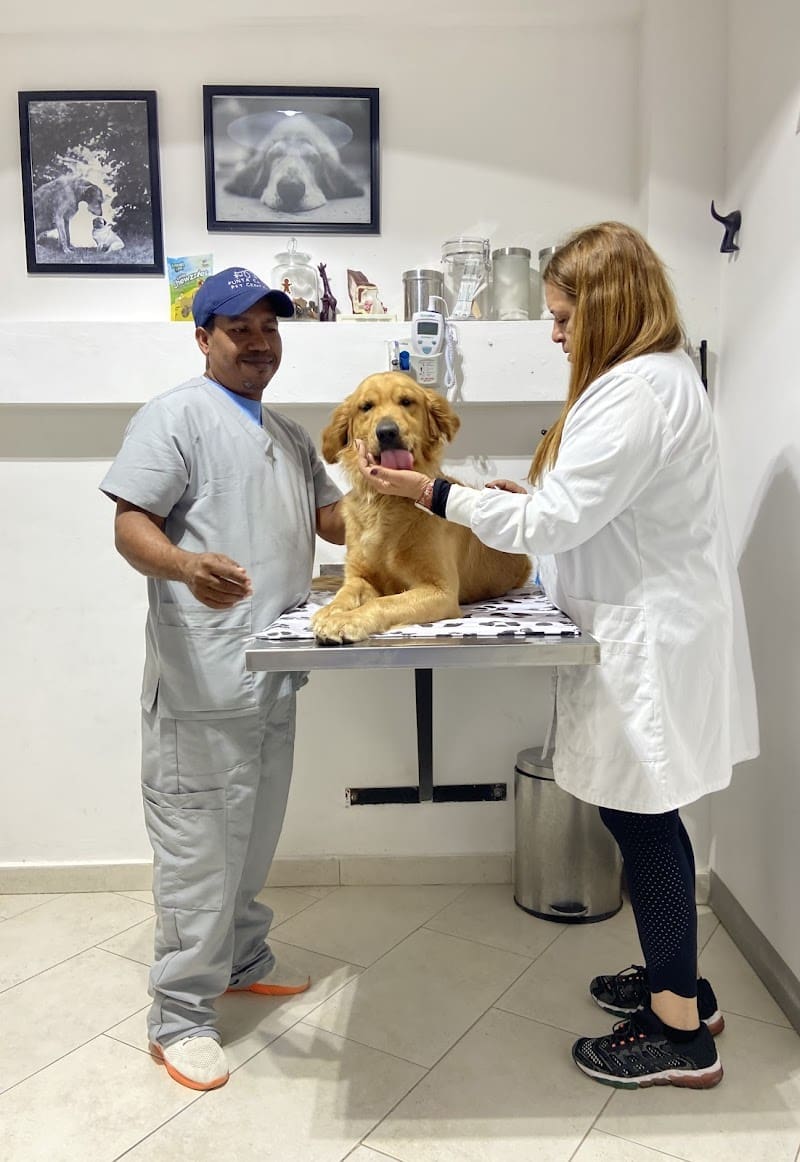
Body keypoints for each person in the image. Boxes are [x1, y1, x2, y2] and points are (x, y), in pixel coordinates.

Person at [354, 222, 759, 1090]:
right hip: (643, 626)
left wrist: (436, 492)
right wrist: (525, 498)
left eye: (565, 316)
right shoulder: (653, 379)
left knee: (642, 819)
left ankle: (681, 1035)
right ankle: (677, 984)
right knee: (639, 813)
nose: (555, 333)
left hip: (646, 638)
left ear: (607, 306)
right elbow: (586, 506)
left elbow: (556, 524)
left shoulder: (636, 391)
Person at [100, 267, 345, 1092]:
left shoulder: (287, 433)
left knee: (255, 833)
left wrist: (416, 492)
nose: (259, 342)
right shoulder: (175, 417)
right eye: (239, 329)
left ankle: (242, 960)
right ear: (203, 338)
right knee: (200, 848)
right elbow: (131, 525)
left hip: (272, 674)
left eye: (269, 328)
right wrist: (184, 564)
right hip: (202, 682)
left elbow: (334, 521)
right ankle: (179, 1017)